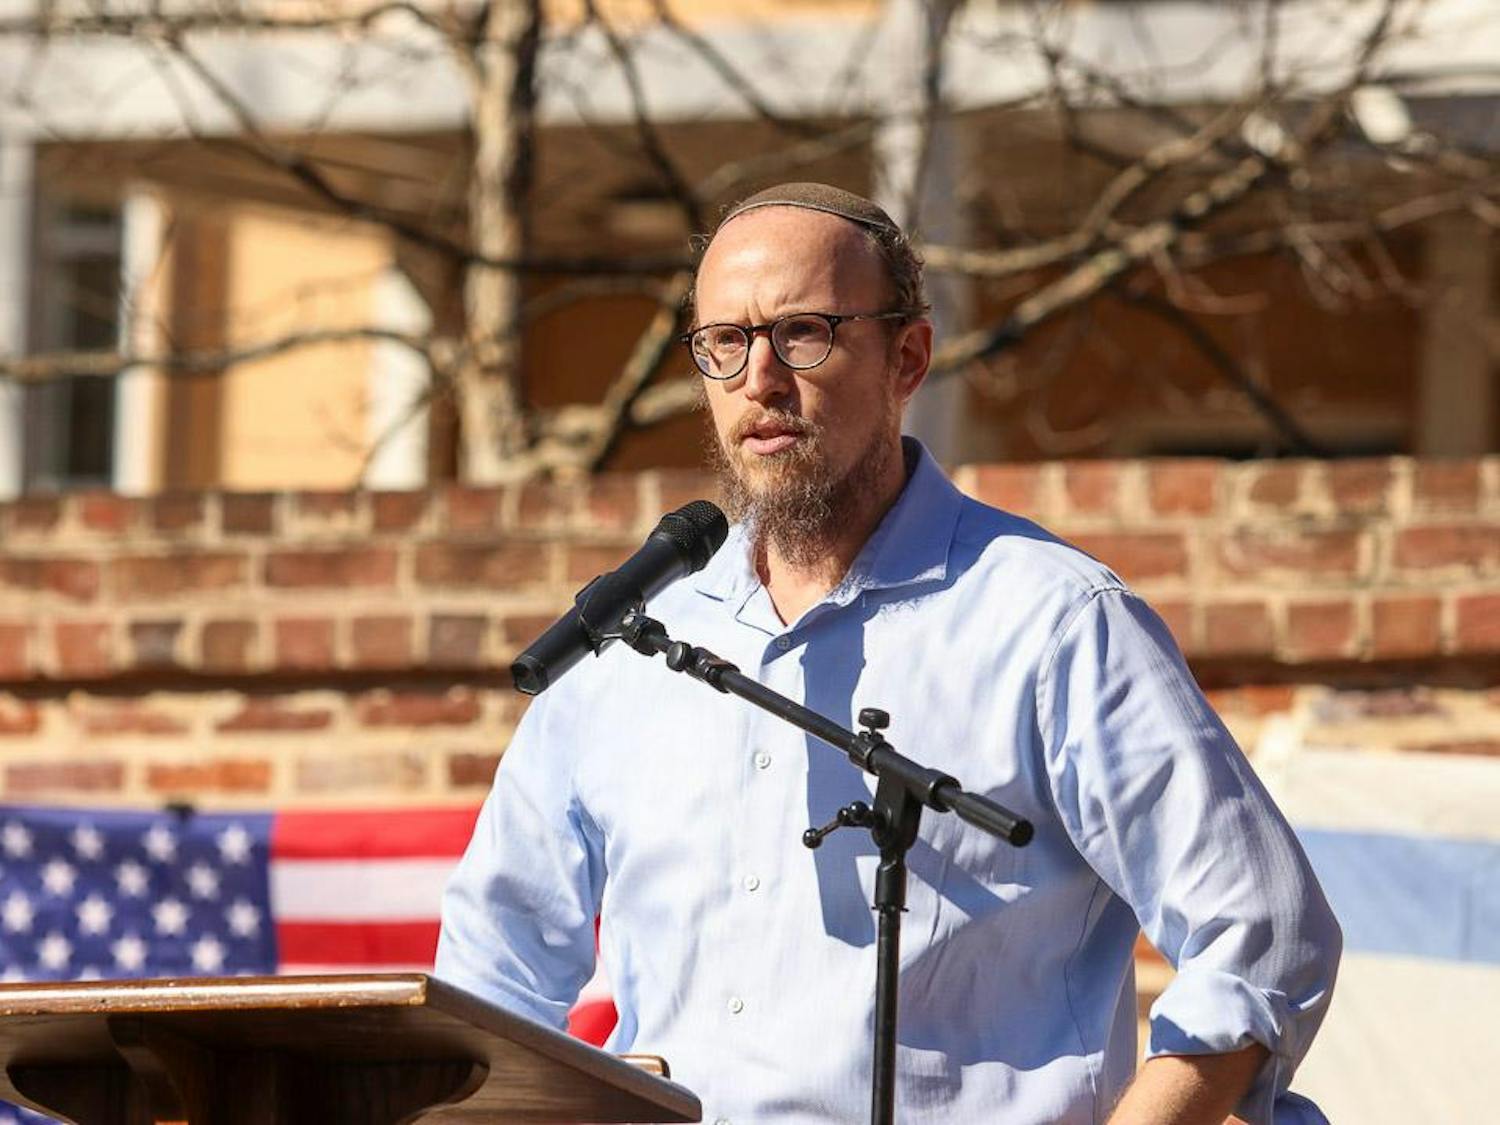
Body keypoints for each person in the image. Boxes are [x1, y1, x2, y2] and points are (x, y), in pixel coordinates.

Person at [436, 183, 1341, 1124]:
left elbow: (1263, 930)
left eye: (804, 333)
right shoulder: (633, 642)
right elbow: (490, 971)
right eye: (726, 343)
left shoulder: (1052, 621)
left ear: (907, 357)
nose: (760, 379)